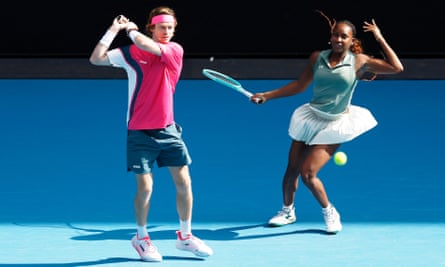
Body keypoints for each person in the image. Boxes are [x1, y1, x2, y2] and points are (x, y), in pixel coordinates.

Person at [250, 14, 403, 234]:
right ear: (330, 37)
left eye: (344, 36)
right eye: (335, 35)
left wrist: (379, 37)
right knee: (291, 169)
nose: (339, 39)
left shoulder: (360, 62)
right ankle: (287, 211)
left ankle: (329, 211)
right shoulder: (316, 58)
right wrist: (267, 95)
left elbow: (397, 68)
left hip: (335, 123)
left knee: (308, 174)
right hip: (310, 117)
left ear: (352, 41)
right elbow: (300, 85)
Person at [89, 6, 213, 262]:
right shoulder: (131, 54)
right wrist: (113, 30)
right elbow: (97, 58)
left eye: (170, 28)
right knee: (145, 188)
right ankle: (141, 238)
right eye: (162, 27)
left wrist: (131, 30)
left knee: (184, 182)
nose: (166, 32)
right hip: (139, 132)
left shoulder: (173, 50)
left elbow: (151, 47)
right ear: (152, 27)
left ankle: (186, 236)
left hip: (168, 130)